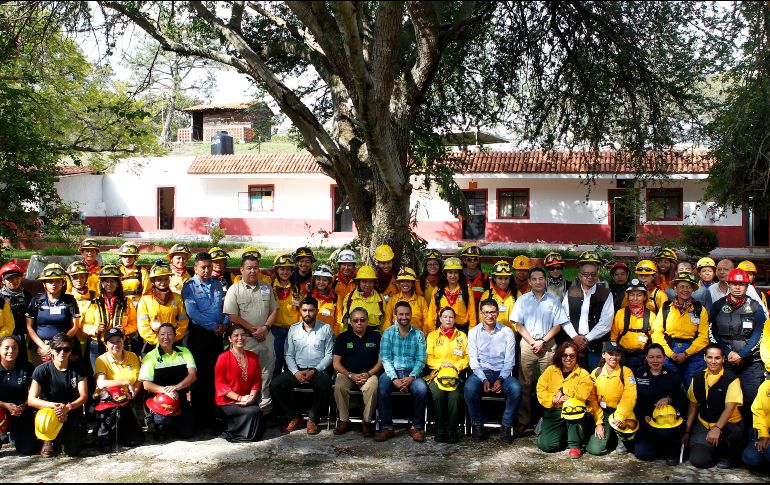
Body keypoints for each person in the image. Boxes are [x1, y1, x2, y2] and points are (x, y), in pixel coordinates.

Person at [512, 266, 569, 434]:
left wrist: (543, 341)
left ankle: (548, 419)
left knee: (550, 383)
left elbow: (558, 326)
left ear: (546, 280)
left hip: (549, 344)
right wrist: (533, 342)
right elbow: (518, 325)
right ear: (529, 282)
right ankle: (524, 420)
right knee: (525, 383)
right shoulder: (522, 300)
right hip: (528, 343)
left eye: (541, 278)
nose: (538, 282)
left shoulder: (553, 300)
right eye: (534, 279)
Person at [709, 268, 765, 427]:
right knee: (723, 399)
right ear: (728, 284)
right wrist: (727, 353)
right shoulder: (717, 306)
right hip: (725, 362)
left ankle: (751, 436)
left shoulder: (755, 307)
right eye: (734, 284)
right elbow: (712, 332)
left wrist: (742, 354)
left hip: (750, 363)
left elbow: (759, 334)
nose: (738, 287)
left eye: (742, 284)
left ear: (747, 286)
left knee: (751, 400)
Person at [223, 252, 278, 414]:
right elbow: (232, 315)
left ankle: (265, 410)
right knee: (246, 375)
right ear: (241, 270)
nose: (253, 271)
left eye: (255, 268)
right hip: (246, 340)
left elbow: (274, 309)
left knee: (266, 374)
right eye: (249, 268)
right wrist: (253, 330)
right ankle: (247, 408)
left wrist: (266, 328)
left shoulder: (266, 287)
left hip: (266, 338)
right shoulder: (234, 290)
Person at [271, 296, 334, 435]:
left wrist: (315, 370)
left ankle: (312, 418)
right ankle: (294, 416)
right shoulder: (293, 329)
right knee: (276, 384)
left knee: (325, 384)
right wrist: (295, 372)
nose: (308, 313)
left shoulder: (326, 329)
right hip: (297, 370)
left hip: (317, 370)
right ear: (300, 311)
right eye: (304, 310)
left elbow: (329, 355)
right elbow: (288, 354)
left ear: (316, 311)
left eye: (311, 310)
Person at [182, 252, 228, 432]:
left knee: (214, 376)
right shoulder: (190, 286)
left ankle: (211, 415)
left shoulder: (218, 285)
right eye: (203, 267)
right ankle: (199, 418)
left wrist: (224, 325)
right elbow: (193, 313)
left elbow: (225, 307)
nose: (207, 270)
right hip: (199, 335)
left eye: (209, 266)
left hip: (216, 336)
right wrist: (214, 326)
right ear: (195, 268)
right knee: (199, 378)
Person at [465, 299, 520, 443]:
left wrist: (501, 379)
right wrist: (483, 379)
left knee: (516, 388)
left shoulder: (507, 332)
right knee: (469, 388)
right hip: (480, 373)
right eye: (486, 312)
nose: (489, 315)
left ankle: (506, 426)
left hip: (503, 372)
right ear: (481, 313)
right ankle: (477, 425)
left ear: (497, 313)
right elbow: (474, 361)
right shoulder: (473, 332)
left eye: (492, 312)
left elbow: (509, 361)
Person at [683, 343, 744, 469]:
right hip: (704, 424)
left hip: (728, 426)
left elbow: (730, 407)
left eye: (717, 358)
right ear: (704, 358)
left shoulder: (732, 379)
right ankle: (711, 450)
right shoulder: (697, 377)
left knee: (727, 448)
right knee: (699, 461)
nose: (713, 361)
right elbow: (693, 405)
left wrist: (717, 428)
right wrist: (687, 431)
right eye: (710, 357)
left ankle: (725, 455)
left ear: (723, 359)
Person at [27, 333, 88, 457]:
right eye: (58, 349)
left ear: (70, 351)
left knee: (71, 452)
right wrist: (55, 407)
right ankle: (47, 439)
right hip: (49, 412)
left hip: (71, 410)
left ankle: (63, 437)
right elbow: (31, 400)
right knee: (47, 417)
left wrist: (67, 408)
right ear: (52, 350)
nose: (62, 352)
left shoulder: (79, 369)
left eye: (66, 349)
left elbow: (84, 396)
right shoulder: (41, 370)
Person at [376, 301, 428, 443]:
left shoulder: (418, 334)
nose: (404, 317)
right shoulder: (388, 333)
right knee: (382, 386)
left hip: (412, 373)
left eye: (407, 314)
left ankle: (416, 427)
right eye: (401, 314)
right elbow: (385, 359)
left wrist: (411, 377)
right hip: (392, 372)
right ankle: (387, 427)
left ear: (411, 315)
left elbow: (421, 360)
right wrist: (394, 379)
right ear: (395, 315)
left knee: (422, 390)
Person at [139, 323, 197, 441]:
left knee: (188, 433)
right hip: (160, 399)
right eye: (162, 334)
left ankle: (174, 424)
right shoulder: (150, 357)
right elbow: (146, 385)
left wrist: (177, 387)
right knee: (161, 427)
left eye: (170, 334)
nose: (166, 337)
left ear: (175, 336)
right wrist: (166, 391)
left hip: (179, 396)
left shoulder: (184, 351)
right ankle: (154, 421)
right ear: (157, 336)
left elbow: (193, 375)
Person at [535, 341, 594, 458]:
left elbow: (583, 392)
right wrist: (553, 399)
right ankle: (560, 435)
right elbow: (540, 389)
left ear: (577, 357)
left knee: (573, 410)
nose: (568, 358)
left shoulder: (583, 374)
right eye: (565, 355)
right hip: (554, 410)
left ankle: (574, 445)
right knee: (547, 446)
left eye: (572, 355)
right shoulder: (551, 370)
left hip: (575, 412)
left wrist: (564, 391)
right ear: (560, 356)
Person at [651, 271, 709, 387]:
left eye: (689, 287)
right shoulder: (666, 308)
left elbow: (703, 337)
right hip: (669, 350)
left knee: (693, 388)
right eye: (682, 286)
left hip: (693, 353)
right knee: (669, 386)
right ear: (675, 289)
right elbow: (657, 333)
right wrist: (669, 353)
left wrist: (686, 354)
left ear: (693, 290)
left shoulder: (699, 309)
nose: (685, 289)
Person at [633, 343, 687, 465]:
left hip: (669, 424)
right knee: (642, 454)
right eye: (651, 357)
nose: (655, 360)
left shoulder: (672, 375)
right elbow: (635, 400)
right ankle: (657, 447)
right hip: (648, 421)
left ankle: (669, 448)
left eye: (659, 357)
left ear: (664, 358)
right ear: (646, 358)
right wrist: (642, 415)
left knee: (672, 461)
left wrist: (669, 399)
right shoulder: (639, 374)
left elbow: (683, 399)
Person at [332, 307, 382, 437]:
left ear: (367, 321)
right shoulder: (343, 337)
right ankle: (343, 420)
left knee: (373, 385)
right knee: (339, 384)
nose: (359, 323)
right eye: (355, 320)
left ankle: (366, 421)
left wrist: (369, 374)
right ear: (350, 322)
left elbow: (381, 362)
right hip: (347, 374)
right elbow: (336, 363)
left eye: (362, 320)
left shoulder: (376, 337)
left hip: (369, 374)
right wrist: (350, 375)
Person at [561, 251, 614, 371]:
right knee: (575, 377)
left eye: (593, 274)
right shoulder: (571, 291)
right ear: (580, 276)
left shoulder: (605, 293)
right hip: (574, 343)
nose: (590, 277)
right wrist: (575, 337)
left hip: (596, 345)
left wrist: (587, 338)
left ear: (597, 275)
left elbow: (606, 323)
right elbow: (564, 317)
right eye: (586, 274)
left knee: (596, 377)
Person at [93, 328, 144, 450]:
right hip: (107, 402)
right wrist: (124, 383)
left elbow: (139, 379)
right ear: (106, 344)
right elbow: (101, 383)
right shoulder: (101, 359)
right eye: (112, 342)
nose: (116, 344)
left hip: (127, 399)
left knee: (135, 440)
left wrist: (134, 391)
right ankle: (103, 433)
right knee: (107, 443)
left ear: (123, 342)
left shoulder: (132, 356)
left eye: (119, 341)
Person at [424, 307, 469, 443]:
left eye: (451, 317)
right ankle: (439, 429)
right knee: (438, 395)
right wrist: (441, 365)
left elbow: (467, 357)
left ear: (455, 319)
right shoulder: (432, 336)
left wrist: (456, 366)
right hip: (436, 375)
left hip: (455, 375)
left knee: (454, 397)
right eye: (445, 317)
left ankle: (452, 430)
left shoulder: (462, 336)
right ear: (440, 319)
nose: (448, 319)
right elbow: (428, 358)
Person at [81, 265, 137, 370]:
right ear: (101, 283)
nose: (109, 284)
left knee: (118, 374)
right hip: (98, 344)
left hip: (119, 344)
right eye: (106, 281)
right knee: (99, 375)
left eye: (112, 281)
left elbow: (134, 323)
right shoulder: (94, 302)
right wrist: (95, 329)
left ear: (117, 284)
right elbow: (86, 324)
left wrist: (124, 330)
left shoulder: (126, 302)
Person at [586, 341, 638, 456]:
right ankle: (609, 437)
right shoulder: (596, 373)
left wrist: (620, 415)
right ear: (603, 355)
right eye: (611, 353)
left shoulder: (626, 372)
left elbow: (630, 396)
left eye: (617, 354)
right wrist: (598, 422)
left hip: (621, 413)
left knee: (625, 449)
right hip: (603, 413)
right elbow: (592, 399)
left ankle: (621, 438)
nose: (614, 357)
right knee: (596, 449)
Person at [214, 324, 264, 443]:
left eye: (243, 335)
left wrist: (251, 397)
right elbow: (220, 385)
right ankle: (233, 433)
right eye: (236, 335)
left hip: (246, 399)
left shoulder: (253, 357)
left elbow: (256, 380)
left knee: (257, 411)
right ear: (230, 339)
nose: (240, 338)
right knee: (254, 411)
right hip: (227, 401)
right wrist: (240, 398)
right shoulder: (223, 357)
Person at [26, 264, 80, 365]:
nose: (54, 284)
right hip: (42, 348)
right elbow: (29, 327)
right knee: (42, 376)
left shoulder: (70, 300)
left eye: (58, 281)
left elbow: (75, 327)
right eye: (50, 281)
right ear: (44, 284)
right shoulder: (36, 300)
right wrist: (43, 346)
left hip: (65, 347)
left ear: (63, 283)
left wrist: (59, 345)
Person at [136, 262, 188, 351]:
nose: (163, 282)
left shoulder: (177, 298)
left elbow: (183, 322)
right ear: (153, 281)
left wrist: (173, 339)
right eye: (159, 280)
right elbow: (143, 326)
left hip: (174, 342)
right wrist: (157, 341)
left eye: (166, 279)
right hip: (152, 344)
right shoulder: (145, 300)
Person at [0, 335, 37, 454]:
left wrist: (24, 406)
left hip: (22, 410)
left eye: (14, 347)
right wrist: (5, 405)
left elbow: (34, 392)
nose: (10, 351)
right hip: (1, 411)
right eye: (6, 348)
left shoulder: (27, 367)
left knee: (27, 450)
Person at [610, 279, 655, 370]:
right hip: (623, 355)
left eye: (639, 295)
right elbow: (613, 336)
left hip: (643, 356)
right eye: (632, 295)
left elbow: (655, 338)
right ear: (627, 296)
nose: (635, 298)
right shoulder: (620, 313)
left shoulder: (651, 315)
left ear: (645, 297)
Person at [426, 257, 477, 334]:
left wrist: (472, 334)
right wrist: (432, 333)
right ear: (445, 274)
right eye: (450, 272)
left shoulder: (466, 291)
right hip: (442, 330)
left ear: (459, 274)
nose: (453, 275)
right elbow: (432, 314)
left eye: (455, 272)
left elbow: (472, 314)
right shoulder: (438, 291)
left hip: (461, 330)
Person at [272, 253, 300, 376]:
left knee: (291, 361)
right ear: (276, 270)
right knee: (276, 360)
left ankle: (290, 388)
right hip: (275, 330)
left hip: (292, 330)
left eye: (288, 269)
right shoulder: (269, 286)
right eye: (282, 269)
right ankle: (274, 388)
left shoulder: (296, 287)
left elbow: (300, 309)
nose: (285, 272)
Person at [0, 262, 33, 366]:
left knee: (23, 363)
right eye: (10, 278)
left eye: (17, 277)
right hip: (3, 337)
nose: (14, 281)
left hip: (23, 336)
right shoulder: (0, 297)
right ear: (3, 280)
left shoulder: (27, 295)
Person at [338, 265, 386, 333]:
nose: (367, 285)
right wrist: (342, 338)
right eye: (364, 281)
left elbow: (384, 322)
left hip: (374, 338)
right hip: (353, 336)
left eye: (370, 282)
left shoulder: (380, 299)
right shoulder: (349, 298)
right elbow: (344, 322)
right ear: (358, 282)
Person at [383, 267, 430, 334]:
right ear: (398, 283)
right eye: (402, 281)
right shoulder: (393, 300)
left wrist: (423, 338)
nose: (405, 284)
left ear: (413, 283)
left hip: (416, 339)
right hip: (396, 339)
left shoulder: (421, 301)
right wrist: (388, 337)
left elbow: (426, 323)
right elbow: (387, 320)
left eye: (408, 281)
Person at [478, 261, 519, 331]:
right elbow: (481, 316)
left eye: (506, 278)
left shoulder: (517, 295)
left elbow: (521, 317)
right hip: (491, 334)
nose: (503, 282)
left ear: (510, 279)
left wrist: (512, 332)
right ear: (494, 278)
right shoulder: (487, 295)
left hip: (512, 335)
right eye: (500, 278)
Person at [742, 378, 770, 469]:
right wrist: (764, 435)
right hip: (765, 430)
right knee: (751, 458)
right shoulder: (765, 385)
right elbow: (758, 411)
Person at [117, 242, 149, 307]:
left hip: (137, 305)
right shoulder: (116, 271)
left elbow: (147, 290)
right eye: (125, 256)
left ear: (135, 257)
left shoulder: (142, 271)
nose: (127, 258)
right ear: (121, 257)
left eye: (131, 256)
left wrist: (140, 303)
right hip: (120, 305)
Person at [309, 265, 338, 333]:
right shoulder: (308, 296)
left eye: (324, 280)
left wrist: (334, 335)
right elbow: (302, 316)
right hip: (310, 335)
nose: (321, 282)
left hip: (328, 336)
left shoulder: (335, 298)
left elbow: (338, 319)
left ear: (329, 281)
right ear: (314, 280)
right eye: (318, 279)